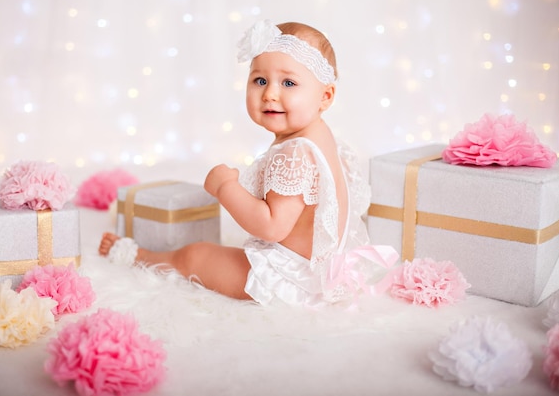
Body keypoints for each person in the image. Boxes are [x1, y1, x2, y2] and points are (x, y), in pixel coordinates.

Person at [99, 19, 388, 307]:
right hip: (325, 270)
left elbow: (272, 227)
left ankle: (141, 257)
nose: (270, 93)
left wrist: (226, 187)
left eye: (289, 82)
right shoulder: (320, 134)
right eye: (260, 80)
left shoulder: (295, 152)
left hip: (291, 280)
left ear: (325, 96)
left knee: (196, 256)